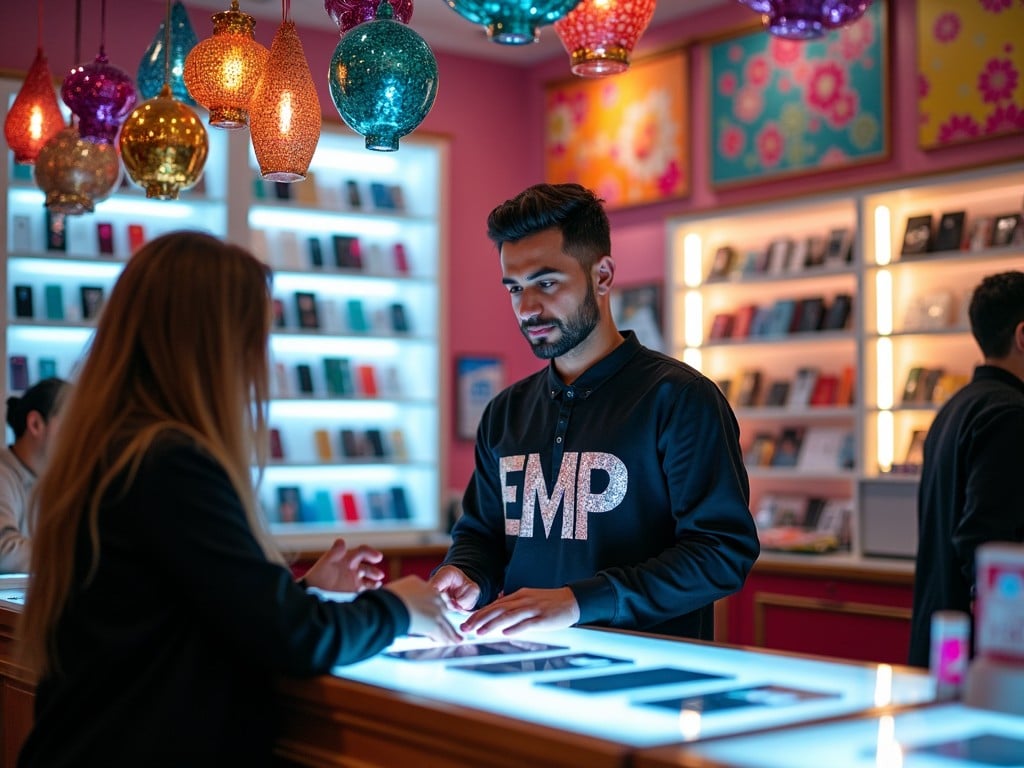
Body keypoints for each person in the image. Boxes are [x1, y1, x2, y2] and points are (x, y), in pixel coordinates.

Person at [16, 231, 459, 767]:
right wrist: (399, 606)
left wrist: (302, 591)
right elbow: (292, 640)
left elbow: (180, 606)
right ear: (214, 344)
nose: (262, 363)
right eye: (256, 337)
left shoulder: (113, 447)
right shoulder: (170, 461)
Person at [430, 183, 759, 640]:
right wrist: (466, 574)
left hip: (648, 683)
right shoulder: (505, 412)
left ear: (602, 276)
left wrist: (579, 602)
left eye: (546, 283)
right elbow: (481, 537)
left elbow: (721, 553)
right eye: (514, 288)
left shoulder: (681, 399)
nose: (527, 308)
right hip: (519, 671)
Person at [908, 270, 1024, 667]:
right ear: (1023, 336)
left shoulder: (956, 407)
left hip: (944, 637)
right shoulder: (1011, 414)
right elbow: (985, 543)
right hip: (985, 657)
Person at [0, 377, 69, 573]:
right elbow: (4, 552)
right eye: (70, 423)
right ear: (36, 424)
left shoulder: (53, 483)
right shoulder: (3, 474)